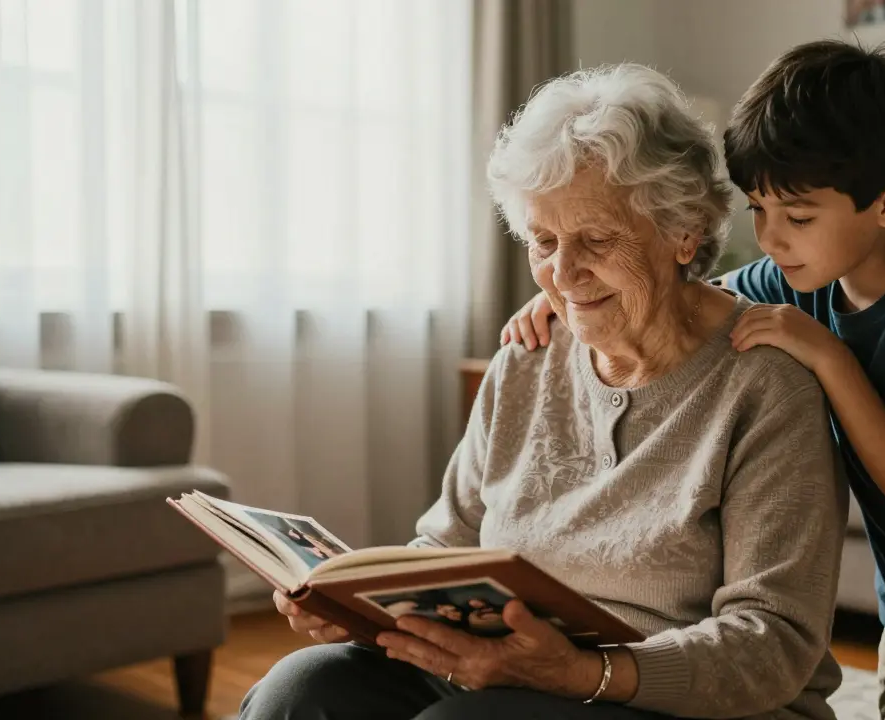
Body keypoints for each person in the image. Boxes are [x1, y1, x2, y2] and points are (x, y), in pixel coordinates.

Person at [504, 40, 885, 720]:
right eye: (758, 209)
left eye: (798, 217)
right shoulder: (795, 273)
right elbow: (680, 292)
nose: (772, 239)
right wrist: (572, 296)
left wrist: (830, 357)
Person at [240, 62, 849, 720]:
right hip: (504, 673)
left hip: (676, 699)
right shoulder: (526, 359)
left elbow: (772, 642)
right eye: (543, 240)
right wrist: (358, 607)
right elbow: (447, 546)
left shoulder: (765, 385)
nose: (562, 273)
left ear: (684, 233)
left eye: (596, 239)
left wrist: (581, 672)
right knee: (299, 691)